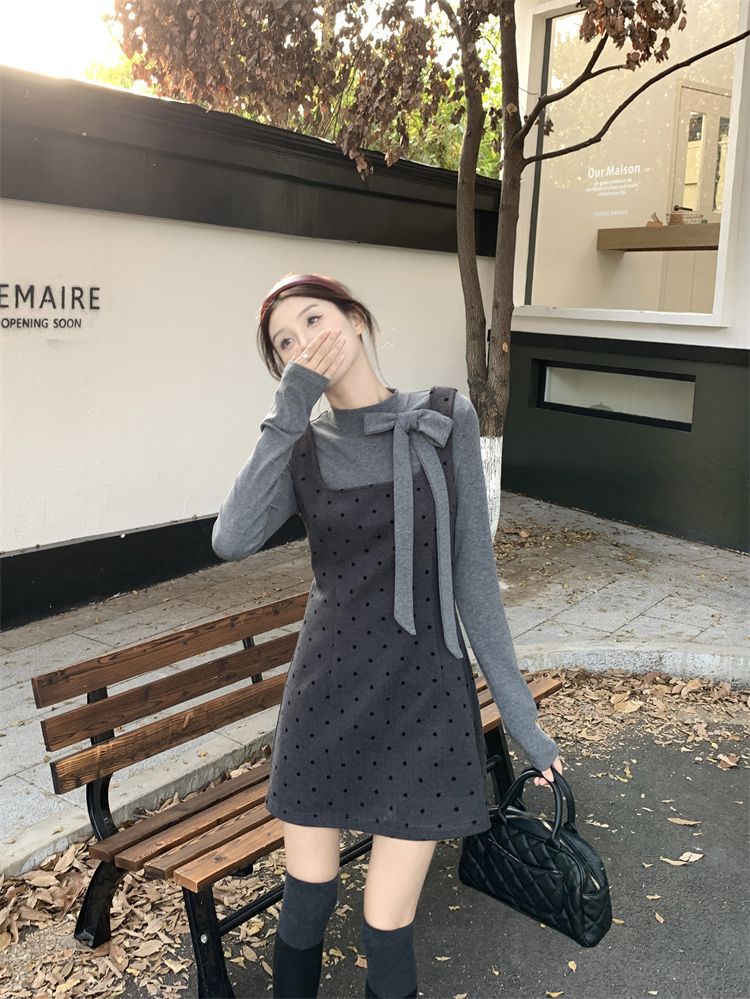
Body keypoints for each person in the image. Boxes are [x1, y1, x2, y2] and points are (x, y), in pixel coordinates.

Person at [211, 272, 564, 999]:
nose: (306, 342)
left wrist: (524, 722)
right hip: (325, 699)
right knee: (307, 898)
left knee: (386, 922)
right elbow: (231, 538)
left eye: (314, 319)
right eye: (285, 342)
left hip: (423, 701)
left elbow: (473, 579)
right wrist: (290, 408)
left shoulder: (443, 417)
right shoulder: (301, 448)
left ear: (357, 319)